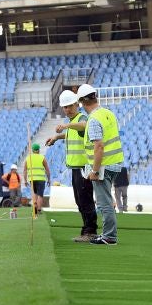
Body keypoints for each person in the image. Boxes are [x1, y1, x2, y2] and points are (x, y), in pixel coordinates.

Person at [46, 89, 97, 242]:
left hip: (83, 168)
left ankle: (90, 231)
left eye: (69, 106)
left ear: (77, 104)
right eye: (65, 107)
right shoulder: (72, 123)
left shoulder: (81, 118)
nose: (67, 110)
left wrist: (66, 127)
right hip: (76, 168)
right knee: (80, 200)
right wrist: (57, 137)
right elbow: (71, 132)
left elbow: (83, 126)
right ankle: (87, 229)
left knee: (85, 200)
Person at [77, 83, 123, 245]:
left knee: (104, 203)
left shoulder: (94, 119)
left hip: (103, 166)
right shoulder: (108, 113)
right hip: (115, 162)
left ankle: (109, 236)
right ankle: (107, 233)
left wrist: (95, 170)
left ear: (82, 102)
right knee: (106, 201)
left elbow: (99, 146)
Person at [24, 143, 50, 215]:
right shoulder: (42, 157)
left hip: (32, 179)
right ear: (39, 150)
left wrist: (25, 180)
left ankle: (34, 206)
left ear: (32, 150)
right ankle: (39, 210)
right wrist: (49, 179)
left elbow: (25, 170)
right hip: (41, 178)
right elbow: (47, 169)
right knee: (40, 195)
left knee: (34, 193)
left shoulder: (28, 158)